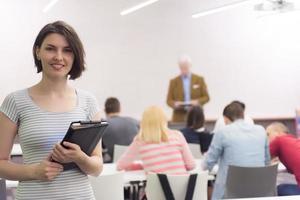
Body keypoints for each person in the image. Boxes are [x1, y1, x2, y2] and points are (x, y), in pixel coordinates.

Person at [0, 21, 102, 200]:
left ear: (75, 56)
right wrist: (34, 171)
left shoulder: (88, 102)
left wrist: (80, 158)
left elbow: (97, 166)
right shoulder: (15, 101)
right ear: (37, 51)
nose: (59, 56)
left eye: (67, 50)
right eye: (51, 49)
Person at [203, 102, 270, 200]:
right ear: (243, 115)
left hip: (229, 192)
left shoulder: (222, 132)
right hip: (258, 190)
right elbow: (267, 162)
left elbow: (208, 164)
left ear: (225, 119)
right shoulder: (261, 130)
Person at [117, 106, 195, 174]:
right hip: (184, 189)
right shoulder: (177, 135)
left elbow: (120, 166)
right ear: (164, 120)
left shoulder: (140, 140)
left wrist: (141, 166)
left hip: (156, 190)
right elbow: (191, 165)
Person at [167, 55, 209, 122]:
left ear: (190, 66)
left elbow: (206, 97)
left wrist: (197, 102)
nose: (184, 70)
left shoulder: (199, 80)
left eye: (186, 67)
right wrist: (175, 104)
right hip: (179, 117)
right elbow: (169, 100)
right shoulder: (174, 81)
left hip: (196, 116)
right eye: (182, 68)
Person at [266, 122, 300, 196]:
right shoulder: (294, 141)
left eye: (268, 134)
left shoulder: (278, 140)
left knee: (279, 188)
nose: (266, 138)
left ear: (278, 132)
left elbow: (263, 159)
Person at [102, 97, 139, 162]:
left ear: (105, 110)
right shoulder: (135, 122)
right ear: (120, 109)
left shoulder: (103, 125)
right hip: (134, 161)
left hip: (112, 164)